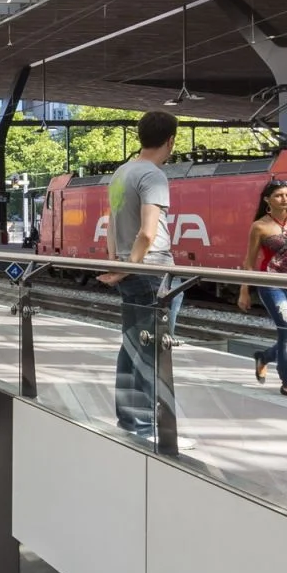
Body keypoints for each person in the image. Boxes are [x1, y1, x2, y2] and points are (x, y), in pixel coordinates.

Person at [97, 110, 178, 440]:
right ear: (170, 140)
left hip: (130, 272)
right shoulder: (153, 176)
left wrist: (117, 264)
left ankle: (129, 421)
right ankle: (147, 427)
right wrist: (132, 265)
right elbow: (147, 233)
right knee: (153, 350)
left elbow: (111, 228)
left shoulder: (121, 173)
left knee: (131, 346)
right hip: (153, 271)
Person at [238, 178, 287, 400]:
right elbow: (249, 262)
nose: (285, 199)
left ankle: (263, 356)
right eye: (279, 195)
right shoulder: (260, 226)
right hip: (272, 284)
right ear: (267, 200)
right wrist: (244, 290)